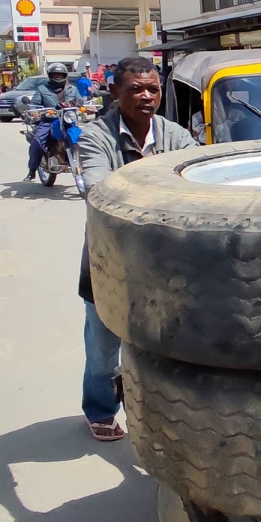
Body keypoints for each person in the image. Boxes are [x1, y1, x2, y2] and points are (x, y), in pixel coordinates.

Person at [76, 56, 198, 441]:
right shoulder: (97, 137)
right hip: (109, 261)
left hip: (166, 263)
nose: (146, 96)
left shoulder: (174, 135)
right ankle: (99, 408)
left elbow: (198, 185)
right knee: (102, 347)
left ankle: (159, 413)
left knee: (166, 347)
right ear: (114, 92)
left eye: (153, 89)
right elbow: (100, 191)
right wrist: (165, 193)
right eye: (135, 89)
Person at [24, 62, 81, 181]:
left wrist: (87, 107)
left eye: (60, 74)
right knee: (37, 141)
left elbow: (81, 101)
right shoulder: (42, 89)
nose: (58, 77)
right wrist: (34, 110)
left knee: (84, 138)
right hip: (49, 120)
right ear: (50, 76)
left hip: (68, 120)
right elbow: (34, 104)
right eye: (55, 75)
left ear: (65, 75)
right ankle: (32, 170)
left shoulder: (72, 89)